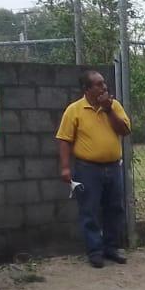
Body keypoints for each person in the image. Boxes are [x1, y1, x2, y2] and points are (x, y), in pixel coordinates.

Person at [56, 71, 131, 268]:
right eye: (98, 84)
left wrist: (109, 110)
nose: (104, 88)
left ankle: (112, 248)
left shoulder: (114, 106)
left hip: (114, 167)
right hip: (87, 169)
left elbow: (125, 130)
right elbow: (64, 140)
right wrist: (65, 167)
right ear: (87, 89)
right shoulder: (74, 110)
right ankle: (95, 251)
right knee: (89, 210)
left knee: (115, 209)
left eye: (104, 83)